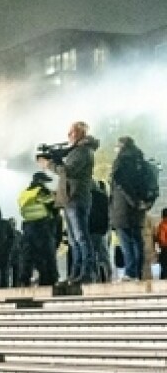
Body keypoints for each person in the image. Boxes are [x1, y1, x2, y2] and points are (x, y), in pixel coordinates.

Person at [38, 121, 100, 284]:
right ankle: (76, 273)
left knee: (81, 237)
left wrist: (49, 164)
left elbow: (68, 171)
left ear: (81, 133)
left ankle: (87, 272)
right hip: (70, 198)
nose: (69, 135)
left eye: (72, 132)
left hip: (76, 197)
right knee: (74, 240)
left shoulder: (82, 151)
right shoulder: (77, 151)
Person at [110, 136, 154, 281]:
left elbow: (120, 184)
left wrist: (132, 201)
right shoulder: (142, 163)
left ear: (122, 146)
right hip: (139, 207)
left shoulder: (121, 162)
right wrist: (143, 202)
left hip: (122, 207)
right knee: (137, 239)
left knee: (126, 240)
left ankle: (130, 272)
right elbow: (150, 185)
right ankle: (137, 272)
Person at [19, 171, 59, 286]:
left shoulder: (24, 193)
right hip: (42, 226)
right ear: (41, 181)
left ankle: (24, 279)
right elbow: (53, 206)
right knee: (46, 254)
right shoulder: (42, 191)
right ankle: (48, 279)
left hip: (28, 226)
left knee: (28, 255)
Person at [90, 181, 113, 282]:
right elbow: (108, 214)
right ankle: (108, 276)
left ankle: (96, 277)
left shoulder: (87, 197)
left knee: (92, 256)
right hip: (101, 230)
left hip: (90, 229)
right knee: (103, 256)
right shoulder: (103, 197)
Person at [156, 208, 167, 280]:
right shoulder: (162, 225)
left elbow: (161, 239)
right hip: (164, 248)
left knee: (164, 266)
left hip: (164, 248)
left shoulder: (162, 225)